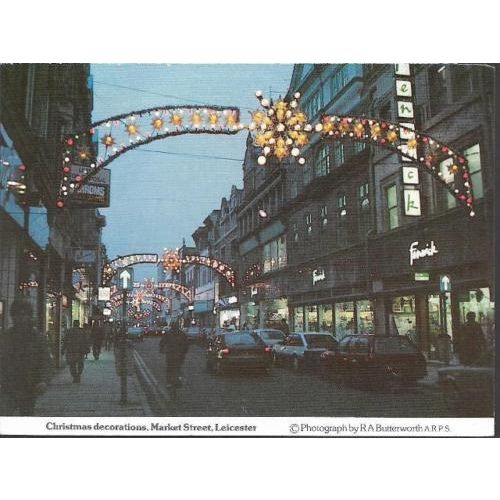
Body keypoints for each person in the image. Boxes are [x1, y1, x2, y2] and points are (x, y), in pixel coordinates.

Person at [0, 298, 51, 415]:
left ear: (29, 316)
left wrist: (44, 380)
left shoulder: (38, 338)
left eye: (23, 314)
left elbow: (46, 361)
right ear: (13, 317)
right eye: (17, 315)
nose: (20, 318)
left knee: (26, 415)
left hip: (29, 385)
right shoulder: (5, 337)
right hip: (8, 385)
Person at [159, 321, 189, 389]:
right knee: (178, 367)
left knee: (169, 368)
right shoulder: (182, 334)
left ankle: (169, 382)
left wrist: (161, 349)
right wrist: (184, 352)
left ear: (171, 326)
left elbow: (162, 342)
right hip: (179, 354)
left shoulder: (168, 333)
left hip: (171, 354)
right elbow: (186, 345)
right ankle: (178, 379)